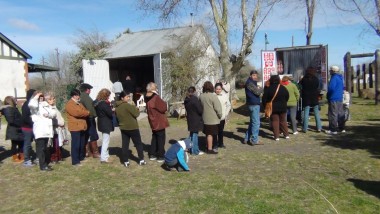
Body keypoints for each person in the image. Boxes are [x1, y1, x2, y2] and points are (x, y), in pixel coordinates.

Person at [115, 91, 147, 167]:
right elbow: (136, 114)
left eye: (129, 96)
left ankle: (125, 161)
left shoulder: (117, 107)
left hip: (123, 127)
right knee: (138, 143)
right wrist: (135, 108)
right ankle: (141, 159)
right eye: (127, 97)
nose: (128, 98)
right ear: (122, 98)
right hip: (132, 127)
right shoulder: (127, 105)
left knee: (125, 144)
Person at [28, 92, 56, 171]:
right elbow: (32, 104)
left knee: (45, 148)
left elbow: (53, 113)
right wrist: (36, 96)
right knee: (41, 149)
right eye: (39, 97)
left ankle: (45, 163)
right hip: (40, 130)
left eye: (42, 97)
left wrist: (49, 115)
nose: (41, 99)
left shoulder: (45, 105)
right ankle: (42, 166)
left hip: (47, 130)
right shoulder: (35, 107)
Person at [145, 82, 169, 162]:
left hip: (152, 119)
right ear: (151, 88)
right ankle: (160, 155)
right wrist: (165, 103)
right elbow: (163, 108)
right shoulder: (155, 97)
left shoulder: (147, 96)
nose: (156, 87)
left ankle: (152, 154)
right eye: (155, 86)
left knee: (155, 137)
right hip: (158, 120)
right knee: (161, 138)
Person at [65, 89, 90, 166]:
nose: (79, 96)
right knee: (76, 144)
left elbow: (85, 110)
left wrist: (86, 112)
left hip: (82, 126)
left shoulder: (79, 103)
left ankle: (80, 157)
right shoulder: (69, 104)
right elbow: (77, 113)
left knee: (82, 143)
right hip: (75, 127)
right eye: (78, 95)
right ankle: (75, 161)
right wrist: (86, 113)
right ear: (74, 96)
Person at [262, 75, 289, 141]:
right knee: (283, 120)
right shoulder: (283, 88)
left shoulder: (269, 89)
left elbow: (264, 98)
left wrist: (265, 106)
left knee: (275, 121)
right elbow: (287, 96)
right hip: (283, 107)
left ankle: (276, 136)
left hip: (273, 108)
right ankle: (286, 135)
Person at [199, 81, 222, 154]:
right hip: (212, 119)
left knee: (207, 134)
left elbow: (199, 107)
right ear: (211, 87)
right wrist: (220, 115)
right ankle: (209, 149)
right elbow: (218, 108)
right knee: (210, 134)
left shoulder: (201, 96)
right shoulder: (213, 96)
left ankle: (207, 146)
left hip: (204, 118)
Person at [79, 83, 100, 158]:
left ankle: (87, 152)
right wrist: (94, 115)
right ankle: (95, 152)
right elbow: (90, 108)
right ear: (87, 90)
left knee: (86, 135)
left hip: (85, 118)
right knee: (93, 134)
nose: (90, 90)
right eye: (89, 89)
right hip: (89, 118)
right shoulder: (86, 97)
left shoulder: (81, 96)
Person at [43, 92, 65, 164]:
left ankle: (59, 157)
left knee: (58, 144)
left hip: (58, 129)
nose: (53, 100)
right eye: (51, 99)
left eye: (53, 98)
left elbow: (59, 116)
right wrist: (59, 123)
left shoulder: (54, 107)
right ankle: (53, 158)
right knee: (54, 145)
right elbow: (50, 120)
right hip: (53, 129)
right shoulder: (47, 109)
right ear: (47, 100)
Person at [94, 88, 115, 163]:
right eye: (108, 95)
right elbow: (109, 113)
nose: (109, 97)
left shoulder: (97, 102)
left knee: (105, 140)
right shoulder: (104, 103)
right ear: (105, 95)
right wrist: (112, 109)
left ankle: (106, 155)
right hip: (105, 123)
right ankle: (103, 158)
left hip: (101, 122)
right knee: (106, 141)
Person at [1, 96, 24, 163]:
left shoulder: (13, 108)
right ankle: (15, 156)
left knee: (21, 143)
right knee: (14, 144)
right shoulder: (8, 109)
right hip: (13, 129)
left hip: (18, 128)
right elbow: (11, 121)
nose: (15, 101)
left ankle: (21, 155)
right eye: (14, 100)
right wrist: (20, 124)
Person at [299, 67, 322, 133]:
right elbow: (318, 86)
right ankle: (319, 128)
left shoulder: (304, 79)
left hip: (306, 97)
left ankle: (305, 128)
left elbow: (299, 86)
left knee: (306, 113)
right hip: (314, 97)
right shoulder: (316, 79)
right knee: (316, 113)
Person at [244, 70, 264, 145]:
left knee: (252, 122)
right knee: (256, 123)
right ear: (250, 76)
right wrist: (261, 88)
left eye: (256, 75)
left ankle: (247, 138)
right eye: (254, 75)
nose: (255, 77)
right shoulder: (250, 83)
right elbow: (257, 92)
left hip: (252, 104)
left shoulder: (251, 82)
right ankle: (254, 140)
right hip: (253, 104)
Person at [184, 86, 204, 155]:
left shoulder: (186, 99)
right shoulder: (194, 99)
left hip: (190, 118)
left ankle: (190, 148)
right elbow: (200, 110)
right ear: (194, 92)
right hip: (195, 119)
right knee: (195, 135)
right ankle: (195, 151)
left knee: (191, 135)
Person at [326, 65, 345, 134]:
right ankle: (341, 127)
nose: (329, 71)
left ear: (333, 71)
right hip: (339, 97)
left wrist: (328, 95)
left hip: (333, 98)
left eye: (330, 70)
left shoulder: (334, 78)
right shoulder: (340, 78)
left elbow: (331, 88)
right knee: (340, 113)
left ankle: (333, 129)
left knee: (333, 114)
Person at [21, 89, 37, 167]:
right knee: (27, 144)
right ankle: (26, 160)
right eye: (35, 94)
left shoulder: (35, 104)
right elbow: (25, 117)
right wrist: (33, 122)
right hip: (27, 128)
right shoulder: (26, 105)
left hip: (34, 127)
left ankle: (37, 157)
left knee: (37, 142)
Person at [214, 82, 231, 149]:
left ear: (221, 89)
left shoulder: (224, 96)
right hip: (214, 117)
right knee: (214, 131)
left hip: (222, 117)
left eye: (219, 89)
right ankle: (214, 144)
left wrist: (226, 113)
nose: (218, 90)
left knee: (221, 131)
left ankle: (221, 143)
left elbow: (228, 105)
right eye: (217, 89)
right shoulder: (213, 96)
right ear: (214, 89)